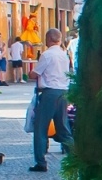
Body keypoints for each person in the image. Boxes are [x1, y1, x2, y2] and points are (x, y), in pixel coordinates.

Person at [30, 28, 73, 172]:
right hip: (63, 92)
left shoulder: (47, 55)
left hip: (49, 93)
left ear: (48, 39)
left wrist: (31, 72)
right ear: (59, 40)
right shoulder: (64, 55)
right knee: (63, 127)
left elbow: (35, 74)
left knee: (41, 128)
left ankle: (41, 162)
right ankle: (76, 156)